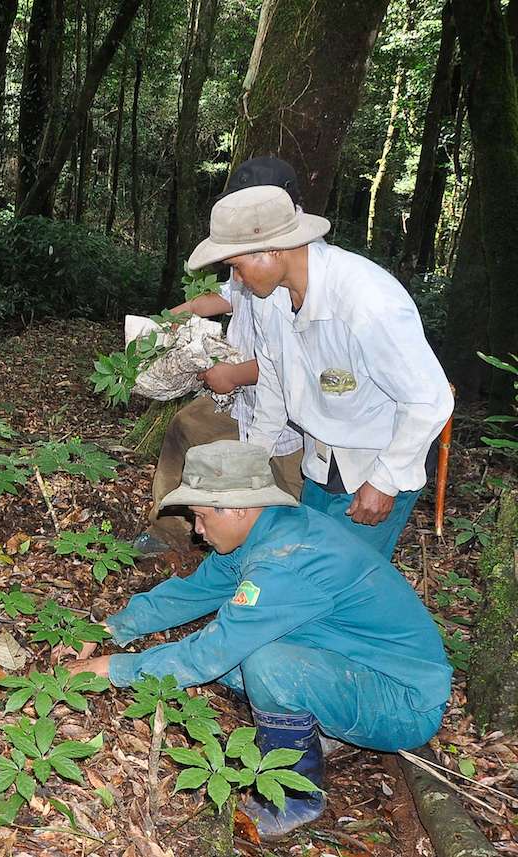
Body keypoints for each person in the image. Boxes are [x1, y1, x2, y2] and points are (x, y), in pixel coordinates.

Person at [68, 440, 451, 839]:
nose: (197, 531)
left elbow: (208, 655)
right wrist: (111, 629)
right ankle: (315, 729)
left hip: (402, 701)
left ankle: (293, 796)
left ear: (237, 508)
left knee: (265, 666)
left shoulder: (286, 561)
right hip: (352, 666)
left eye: (200, 516)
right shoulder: (268, 531)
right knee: (243, 665)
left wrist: (114, 669)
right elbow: (192, 592)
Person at [187, 185, 453, 558]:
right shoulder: (271, 299)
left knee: (342, 579)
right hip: (322, 457)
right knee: (303, 563)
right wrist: (251, 461)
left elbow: (430, 398)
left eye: (236, 267)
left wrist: (385, 481)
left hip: (378, 458)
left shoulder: (367, 299)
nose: (237, 281)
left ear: (272, 250)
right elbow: (275, 383)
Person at [136, 157, 304, 555]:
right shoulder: (247, 250)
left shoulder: (293, 266)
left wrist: (232, 375)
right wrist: (179, 314)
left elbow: (294, 363)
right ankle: (170, 532)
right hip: (243, 393)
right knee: (185, 428)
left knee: (278, 488)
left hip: (287, 413)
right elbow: (230, 296)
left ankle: (259, 565)